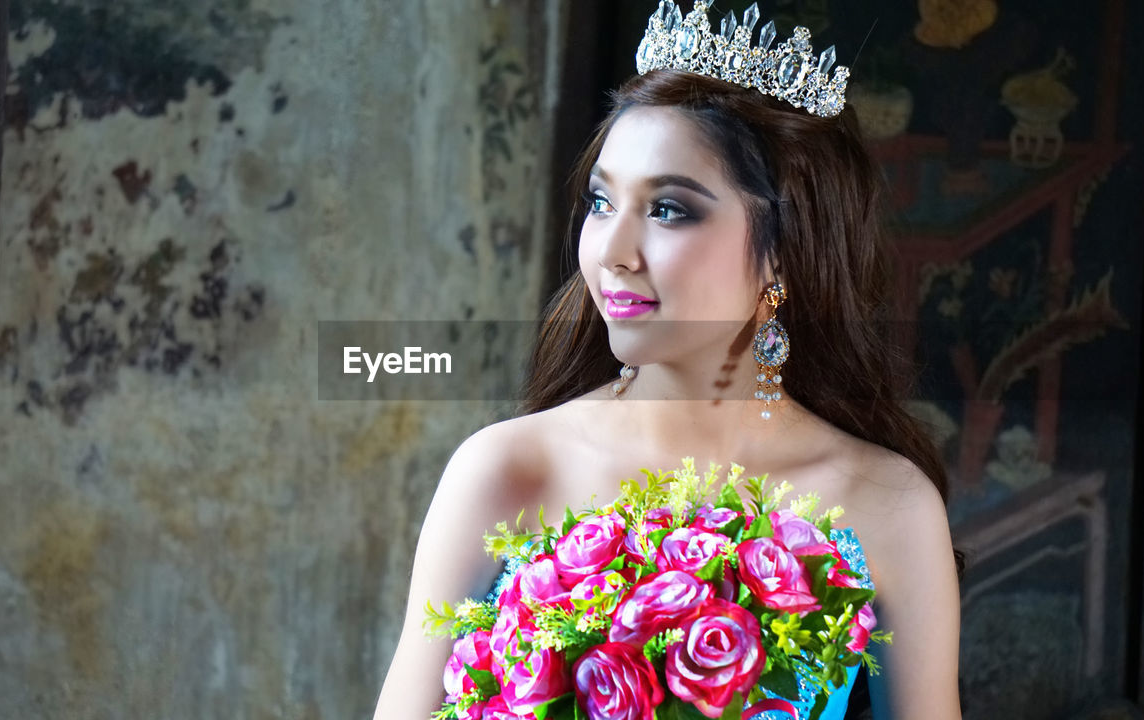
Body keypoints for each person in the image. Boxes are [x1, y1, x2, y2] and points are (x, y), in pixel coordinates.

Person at [374, 3, 962, 718]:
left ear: (782, 248)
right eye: (601, 202)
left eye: (669, 210)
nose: (612, 253)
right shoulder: (508, 472)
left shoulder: (885, 506)